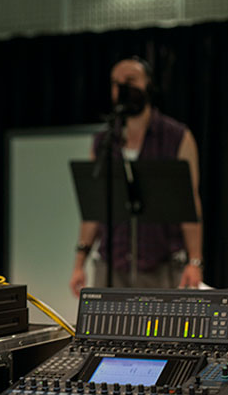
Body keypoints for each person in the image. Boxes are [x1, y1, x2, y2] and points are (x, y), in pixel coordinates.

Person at [69, 57, 203, 296]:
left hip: (162, 266)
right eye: (115, 83)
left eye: (130, 81)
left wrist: (195, 261)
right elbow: (94, 206)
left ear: (148, 85)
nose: (121, 89)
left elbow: (189, 201)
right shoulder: (104, 142)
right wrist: (79, 262)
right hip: (112, 265)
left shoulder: (177, 137)